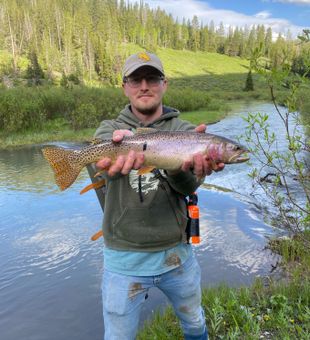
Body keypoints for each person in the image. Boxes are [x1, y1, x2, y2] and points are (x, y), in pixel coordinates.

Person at [94, 51, 224, 340]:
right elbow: (99, 169)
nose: (144, 86)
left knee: (194, 324)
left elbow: (188, 188)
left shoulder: (187, 133)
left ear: (164, 84)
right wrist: (109, 167)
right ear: (124, 86)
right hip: (122, 258)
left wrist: (181, 169)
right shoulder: (110, 131)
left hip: (176, 255)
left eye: (152, 78)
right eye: (136, 79)